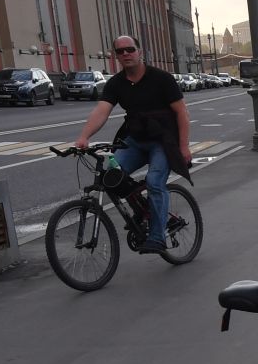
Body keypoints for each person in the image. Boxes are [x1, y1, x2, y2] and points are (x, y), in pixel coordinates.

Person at [73, 36, 191, 252]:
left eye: (130, 49)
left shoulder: (161, 78)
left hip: (163, 140)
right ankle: (143, 208)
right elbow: (102, 111)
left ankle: (157, 238)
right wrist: (84, 137)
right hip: (135, 140)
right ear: (115, 56)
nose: (126, 54)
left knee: (155, 182)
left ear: (140, 52)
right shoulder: (116, 83)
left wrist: (183, 147)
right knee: (112, 176)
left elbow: (182, 113)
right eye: (120, 51)